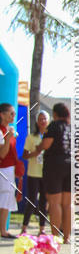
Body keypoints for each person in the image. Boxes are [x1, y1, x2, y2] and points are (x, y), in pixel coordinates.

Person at [35, 102, 71, 243]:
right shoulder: (71, 128)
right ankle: (67, 237)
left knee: (54, 202)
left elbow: (46, 144)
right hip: (71, 164)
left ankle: (55, 237)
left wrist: (38, 147)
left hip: (54, 164)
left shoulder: (54, 126)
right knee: (67, 204)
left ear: (55, 114)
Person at [21, 110, 49, 235]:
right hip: (33, 173)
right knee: (31, 201)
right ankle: (24, 228)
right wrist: (35, 153)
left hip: (47, 174)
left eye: (44, 119)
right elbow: (25, 155)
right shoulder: (31, 137)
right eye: (40, 119)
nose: (42, 121)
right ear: (37, 122)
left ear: (48, 121)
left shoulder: (50, 137)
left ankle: (42, 229)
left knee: (44, 202)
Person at [0, 102, 25, 238]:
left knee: (6, 199)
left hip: (8, 169)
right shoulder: (2, 131)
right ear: (2, 115)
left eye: (14, 114)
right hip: (3, 169)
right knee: (4, 198)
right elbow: (2, 154)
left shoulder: (7, 129)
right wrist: (8, 137)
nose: (14, 116)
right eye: (11, 113)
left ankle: (3, 229)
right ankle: (3, 230)